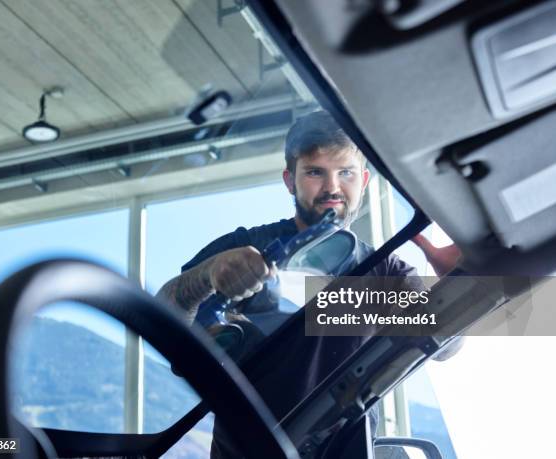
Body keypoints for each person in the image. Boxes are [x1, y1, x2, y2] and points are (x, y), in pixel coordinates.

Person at [156, 110, 461, 457]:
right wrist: (207, 274)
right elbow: (166, 327)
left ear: (363, 180)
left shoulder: (388, 272)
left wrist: (457, 282)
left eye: (345, 172)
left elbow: (446, 347)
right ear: (290, 180)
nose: (332, 187)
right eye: (315, 172)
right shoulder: (243, 249)